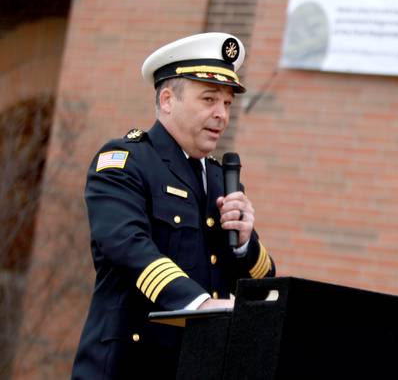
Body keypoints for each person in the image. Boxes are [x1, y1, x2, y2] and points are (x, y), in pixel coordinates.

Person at [72, 33, 275, 379]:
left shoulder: (220, 179)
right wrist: (201, 305)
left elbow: (264, 284)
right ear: (167, 99)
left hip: (200, 366)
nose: (221, 115)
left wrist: (244, 244)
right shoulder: (125, 162)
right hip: (130, 365)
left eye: (227, 104)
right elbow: (128, 250)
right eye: (209, 99)